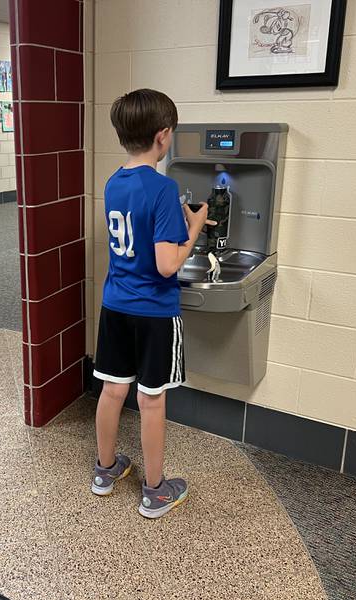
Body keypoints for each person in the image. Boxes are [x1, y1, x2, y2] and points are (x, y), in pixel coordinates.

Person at [91, 89, 213, 519]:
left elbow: (138, 231)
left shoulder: (113, 181)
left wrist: (173, 219)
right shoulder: (164, 187)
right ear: (163, 136)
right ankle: (156, 491)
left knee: (112, 389)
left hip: (116, 305)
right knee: (152, 399)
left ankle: (105, 472)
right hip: (154, 312)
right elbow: (166, 265)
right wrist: (194, 227)